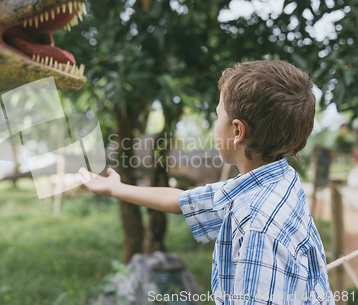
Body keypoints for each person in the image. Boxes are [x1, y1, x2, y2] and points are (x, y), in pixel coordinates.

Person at [78, 60, 335, 304]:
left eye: (217, 115)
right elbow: (181, 201)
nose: (215, 124)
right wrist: (117, 188)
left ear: (237, 131)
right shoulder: (276, 179)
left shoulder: (257, 229)